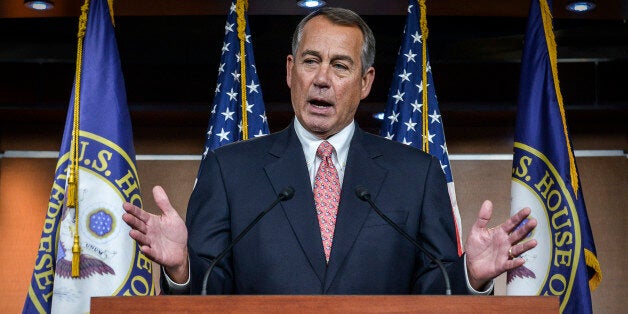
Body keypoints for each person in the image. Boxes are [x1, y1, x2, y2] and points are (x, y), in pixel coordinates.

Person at [122, 7, 536, 295]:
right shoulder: (230, 171)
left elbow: (436, 293)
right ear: (289, 71)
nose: (322, 78)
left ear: (366, 81)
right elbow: (208, 293)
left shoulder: (417, 174)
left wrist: (471, 275)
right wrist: (180, 268)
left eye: (340, 66)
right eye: (310, 61)